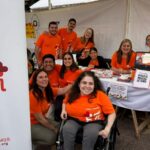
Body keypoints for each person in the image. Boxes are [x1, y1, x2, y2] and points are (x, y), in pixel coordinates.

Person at [61, 71, 116, 150]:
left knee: (90, 133)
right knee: (67, 129)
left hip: (94, 121)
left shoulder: (100, 95)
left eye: (91, 83)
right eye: (84, 83)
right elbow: (64, 102)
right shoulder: (73, 93)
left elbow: (112, 113)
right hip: (74, 119)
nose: (87, 86)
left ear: (94, 85)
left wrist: (107, 129)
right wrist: (63, 110)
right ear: (79, 84)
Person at [30, 69, 72, 149]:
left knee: (61, 128)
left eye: (46, 77)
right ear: (35, 80)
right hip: (31, 124)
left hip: (41, 120)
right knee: (52, 137)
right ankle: (31, 141)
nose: (44, 79)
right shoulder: (33, 95)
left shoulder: (47, 90)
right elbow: (40, 119)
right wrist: (53, 128)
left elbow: (63, 90)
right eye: (41, 77)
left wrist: (74, 84)